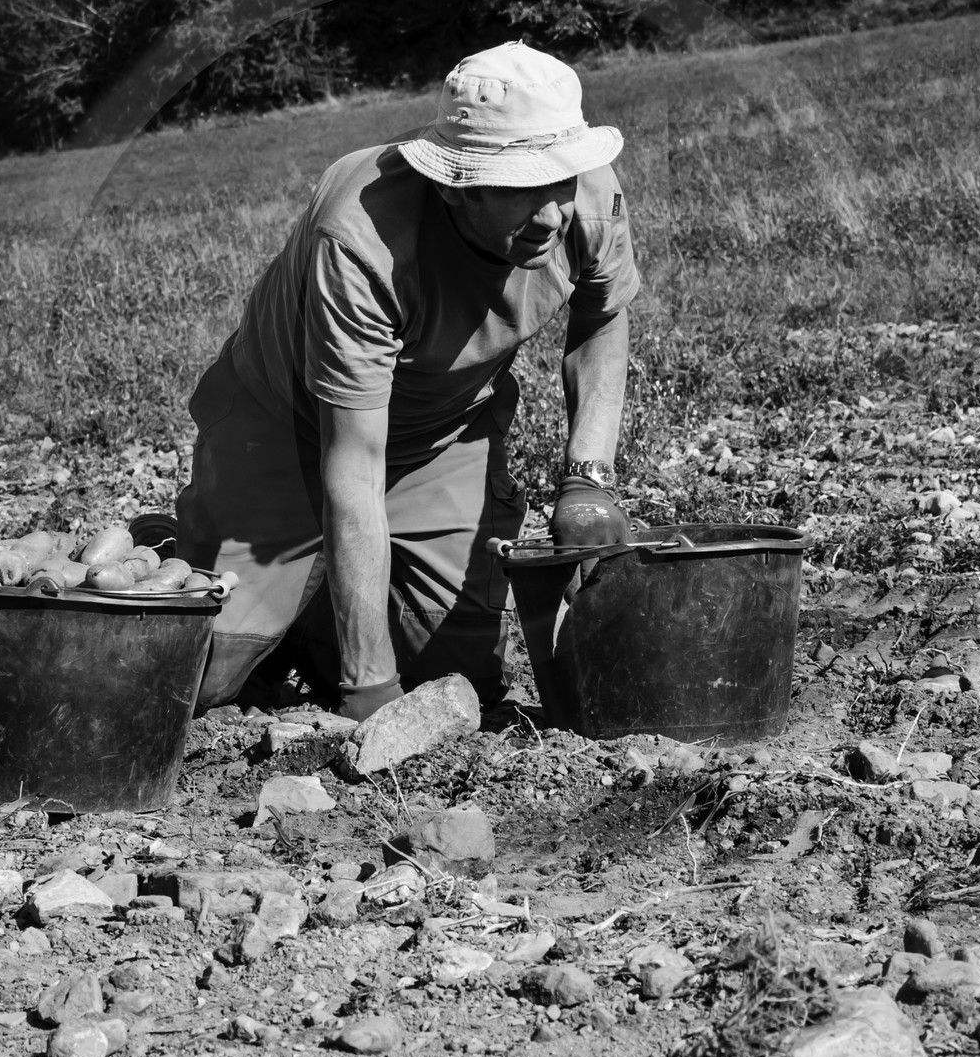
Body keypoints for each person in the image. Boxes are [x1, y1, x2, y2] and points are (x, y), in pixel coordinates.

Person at [149, 40, 639, 721]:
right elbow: (351, 468)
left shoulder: (589, 195)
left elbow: (601, 319)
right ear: (453, 183)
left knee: (452, 675)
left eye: (558, 184)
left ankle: (314, 608)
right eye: (523, 189)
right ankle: (181, 551)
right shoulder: (363, 238)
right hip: (285, 437)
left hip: (444, 434)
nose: (553, 214)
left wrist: (588, 478)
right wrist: (368, 688)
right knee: (194, 682)